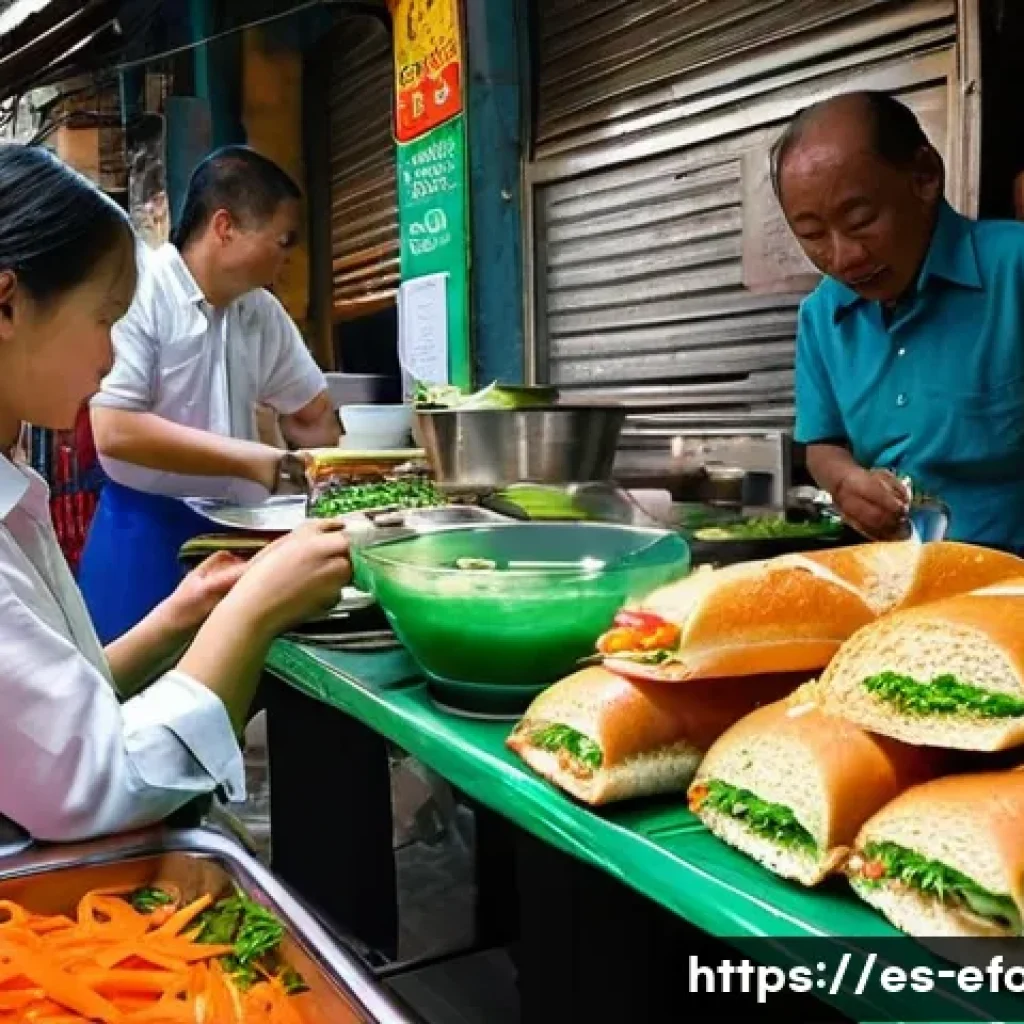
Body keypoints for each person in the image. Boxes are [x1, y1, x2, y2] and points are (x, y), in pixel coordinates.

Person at [0, 143, 352, 843]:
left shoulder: (18, 493)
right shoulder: (158, 293)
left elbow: (64, 706)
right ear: (7, 304)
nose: (108, 357)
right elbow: (95, 777)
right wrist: (251, 611)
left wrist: (182, 614)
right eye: (103, 319)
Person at [78, 146, 340, 645]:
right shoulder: (142, 291)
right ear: (225, 227)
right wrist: (255, 460)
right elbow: (114, 430)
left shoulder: (259, 310)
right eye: (282, 239)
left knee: (222, 707)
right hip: (146, 534)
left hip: (241, 536)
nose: (289, 255)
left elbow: (311, 414)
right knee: (134, 704)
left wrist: (340, 484)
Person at [775, 90, 1024, 553]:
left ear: (925, 177)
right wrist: (847, 482)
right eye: (812, 235)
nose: (844, 257)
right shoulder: (820, 316)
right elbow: (823, 445)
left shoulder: (1015, 268)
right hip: (894, 579)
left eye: (861, 219)